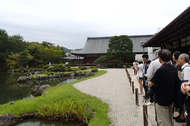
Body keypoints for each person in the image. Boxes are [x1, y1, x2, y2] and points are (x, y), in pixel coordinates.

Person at [148, 49, 180, 126]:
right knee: (169, 118)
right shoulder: (174, 68)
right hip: (171, 97)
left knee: (163, 120)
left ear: (160, 58)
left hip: (161, 97)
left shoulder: (161, 70)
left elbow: (150, 84)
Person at [172, 51, 186, 123]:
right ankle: (180, 115)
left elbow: (180, 76)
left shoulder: (178, 65)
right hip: (180, 85)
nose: (172, 57)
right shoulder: (177, 65)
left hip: (180, 85)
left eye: (173, 55)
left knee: (180, 101)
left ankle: (182, 116)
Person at [178, 53, 190, 126]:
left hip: (188, 93)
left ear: (183, 59)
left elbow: (186, 81)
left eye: (179, 58)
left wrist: (184, 87)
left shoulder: (186, 69)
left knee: (188, 110)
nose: (178, 60)